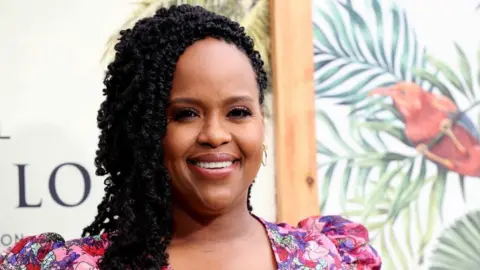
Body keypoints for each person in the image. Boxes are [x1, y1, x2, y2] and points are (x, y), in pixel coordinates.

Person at [0, 4, 381, 270]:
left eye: (238, 112)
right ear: (144, 131)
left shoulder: (329, 258)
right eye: (186, 114)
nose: (216, 135)